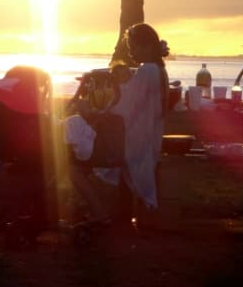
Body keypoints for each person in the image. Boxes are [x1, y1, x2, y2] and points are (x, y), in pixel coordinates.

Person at [66, 22, 169, 226]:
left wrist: (93, 110)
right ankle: (98, 211)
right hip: (145, 138)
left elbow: (125, 107)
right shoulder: (157, 70)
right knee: (81, 151)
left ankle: (97, 212)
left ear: (146, 46)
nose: (130, 52)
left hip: (133, 142)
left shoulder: (147, 71)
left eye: (133, 46)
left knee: (72, 161)